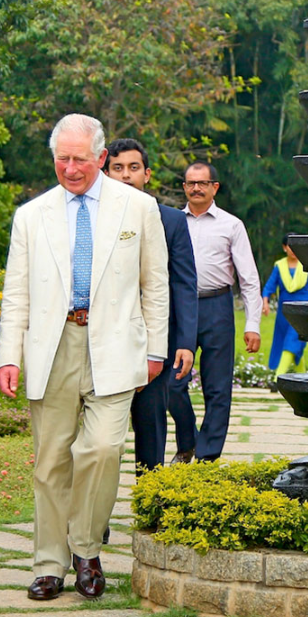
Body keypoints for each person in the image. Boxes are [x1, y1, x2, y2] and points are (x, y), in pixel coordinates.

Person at [0, 114, 169, 601]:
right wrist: (9, 355)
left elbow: (155, 284)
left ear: (100, 158)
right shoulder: (32, 215)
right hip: (52, 347)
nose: (71, 169)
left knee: (103, 449)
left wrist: (155, 347)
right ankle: (50, 563)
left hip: (115, 345)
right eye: (62, 159)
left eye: (80, 159)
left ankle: (87, 549)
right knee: (50, 461)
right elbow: (16, 294)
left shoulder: (138, 208)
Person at [103, 139, 197, 474]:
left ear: (147, 174)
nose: (126, 176)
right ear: (105, 172)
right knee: (102, 434)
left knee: (150, 423)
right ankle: (96, 512)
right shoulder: (94, 218)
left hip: (155, 339)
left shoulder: (171, 221)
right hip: (104, 338)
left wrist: (185, 341)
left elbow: (184, 285)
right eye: (117, 168)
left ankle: (150, 498)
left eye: (133, 168)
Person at [166, 161, 262, 463]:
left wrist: (253, 324)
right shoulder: (170, 222)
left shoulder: (231, 225)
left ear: (214, 187)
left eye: (203, 183)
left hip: (217, 307)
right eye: (190, 183)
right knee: (170, 382)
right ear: (184, 187)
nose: (196, 188)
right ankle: (188, 440)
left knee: (217, 387)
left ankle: (207, 455)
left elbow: (248, 278)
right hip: (179, 308)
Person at [262, 234, 308, 375]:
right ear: (284, 248)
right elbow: (269, 287)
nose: (294, 250)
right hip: (285, 313)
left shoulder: (307, 265)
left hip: (303, 312)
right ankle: (301, 377)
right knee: (293, 344)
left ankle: (278, 378)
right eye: (290, 246)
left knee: (292, 341)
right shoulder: (279, 266)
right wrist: (265, 302)